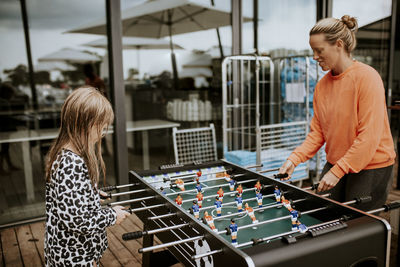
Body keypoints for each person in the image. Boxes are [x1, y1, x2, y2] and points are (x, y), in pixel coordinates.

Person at [278, 15, 396, 211]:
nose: (314, 56)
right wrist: (294, 159)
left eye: (319, 50)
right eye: (312, 50)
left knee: (356, 227)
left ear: (338, 45)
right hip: (337, 161)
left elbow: (369, 137)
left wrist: (338, 170)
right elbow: (318, 133)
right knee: (324, 214)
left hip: (372, 166)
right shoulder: (322, 87)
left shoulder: (367, 78)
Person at [44, 86, 130, 266]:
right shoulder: (71, 164)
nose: (102, 133)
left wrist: (90, 193)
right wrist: (112, 215)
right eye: (101, 126)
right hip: (74, 257)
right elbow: (79, 221)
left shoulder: (64, 153)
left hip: (71, 252)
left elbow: (68, 199)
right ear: (84, 123)